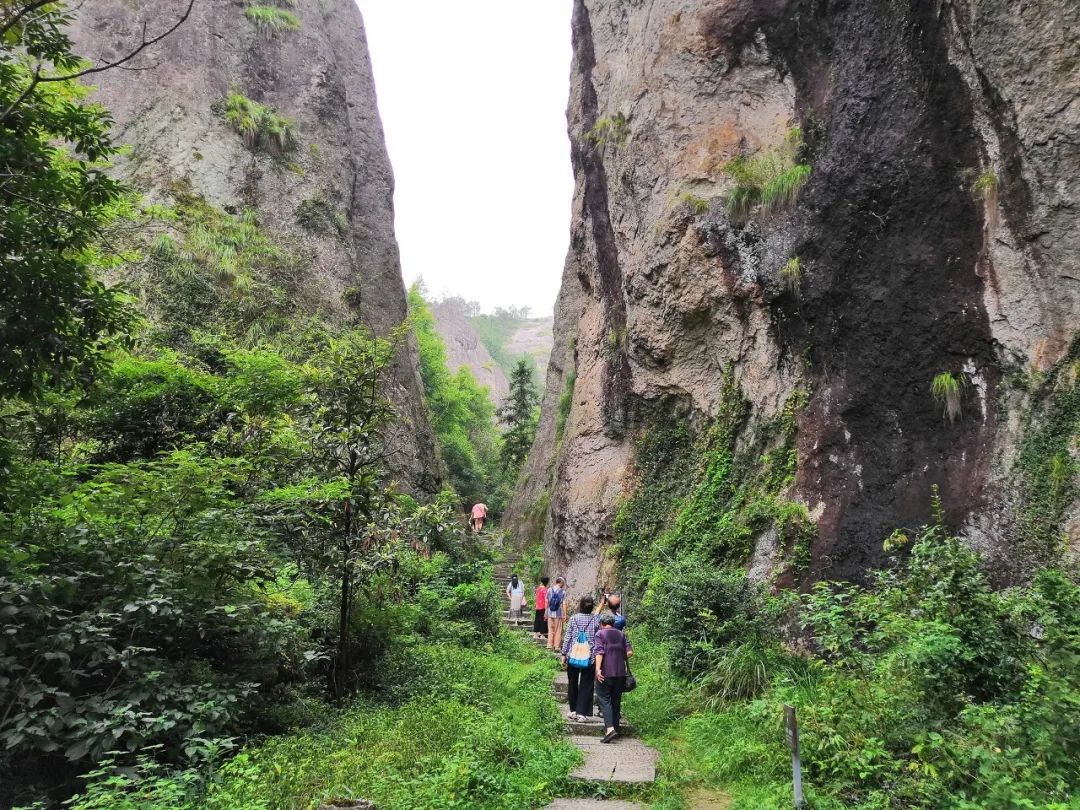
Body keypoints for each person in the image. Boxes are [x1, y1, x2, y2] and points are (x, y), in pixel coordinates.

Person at [594, 612, 633, 743]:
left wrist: (598, 669)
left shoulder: (600, 634)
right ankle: (616, 729)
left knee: (604, 700)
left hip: (606, 671)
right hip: (620, 672)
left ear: (602, 623)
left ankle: (610, 729)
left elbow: (599, 652)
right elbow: (629, 652)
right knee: (616, 701)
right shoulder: (621, 634)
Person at [561, 596, 600, 721]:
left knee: (572, 683)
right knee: (586, 684)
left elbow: (568, 637)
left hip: (573, 655)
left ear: (580, 606)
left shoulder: (573, 619)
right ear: (591, 607)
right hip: (590, 657)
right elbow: (597, 638)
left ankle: (573, 710)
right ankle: (582, 713)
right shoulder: (595, 620)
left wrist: (564, 654)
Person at [545, 577, 567, 650]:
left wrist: (546, 612)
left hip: (550, 612)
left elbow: (546, 602)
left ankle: (549, 645)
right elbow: (564, 604)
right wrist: (564, 614)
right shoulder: (563, 592)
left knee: (550, 629)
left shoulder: (549, 590)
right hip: (558, 612)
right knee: (558, 630)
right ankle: (556, 646)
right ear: (561, 583)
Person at [533, 576, 549, 640]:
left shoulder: (538, 588)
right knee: (543, 621)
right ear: (546, 582)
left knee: (537, 620)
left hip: (538, 606)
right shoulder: (545, 589)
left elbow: (536, 597)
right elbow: (546, 600)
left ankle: (535, 634)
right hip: (543, 607)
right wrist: (546, 608)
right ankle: (542, 635)